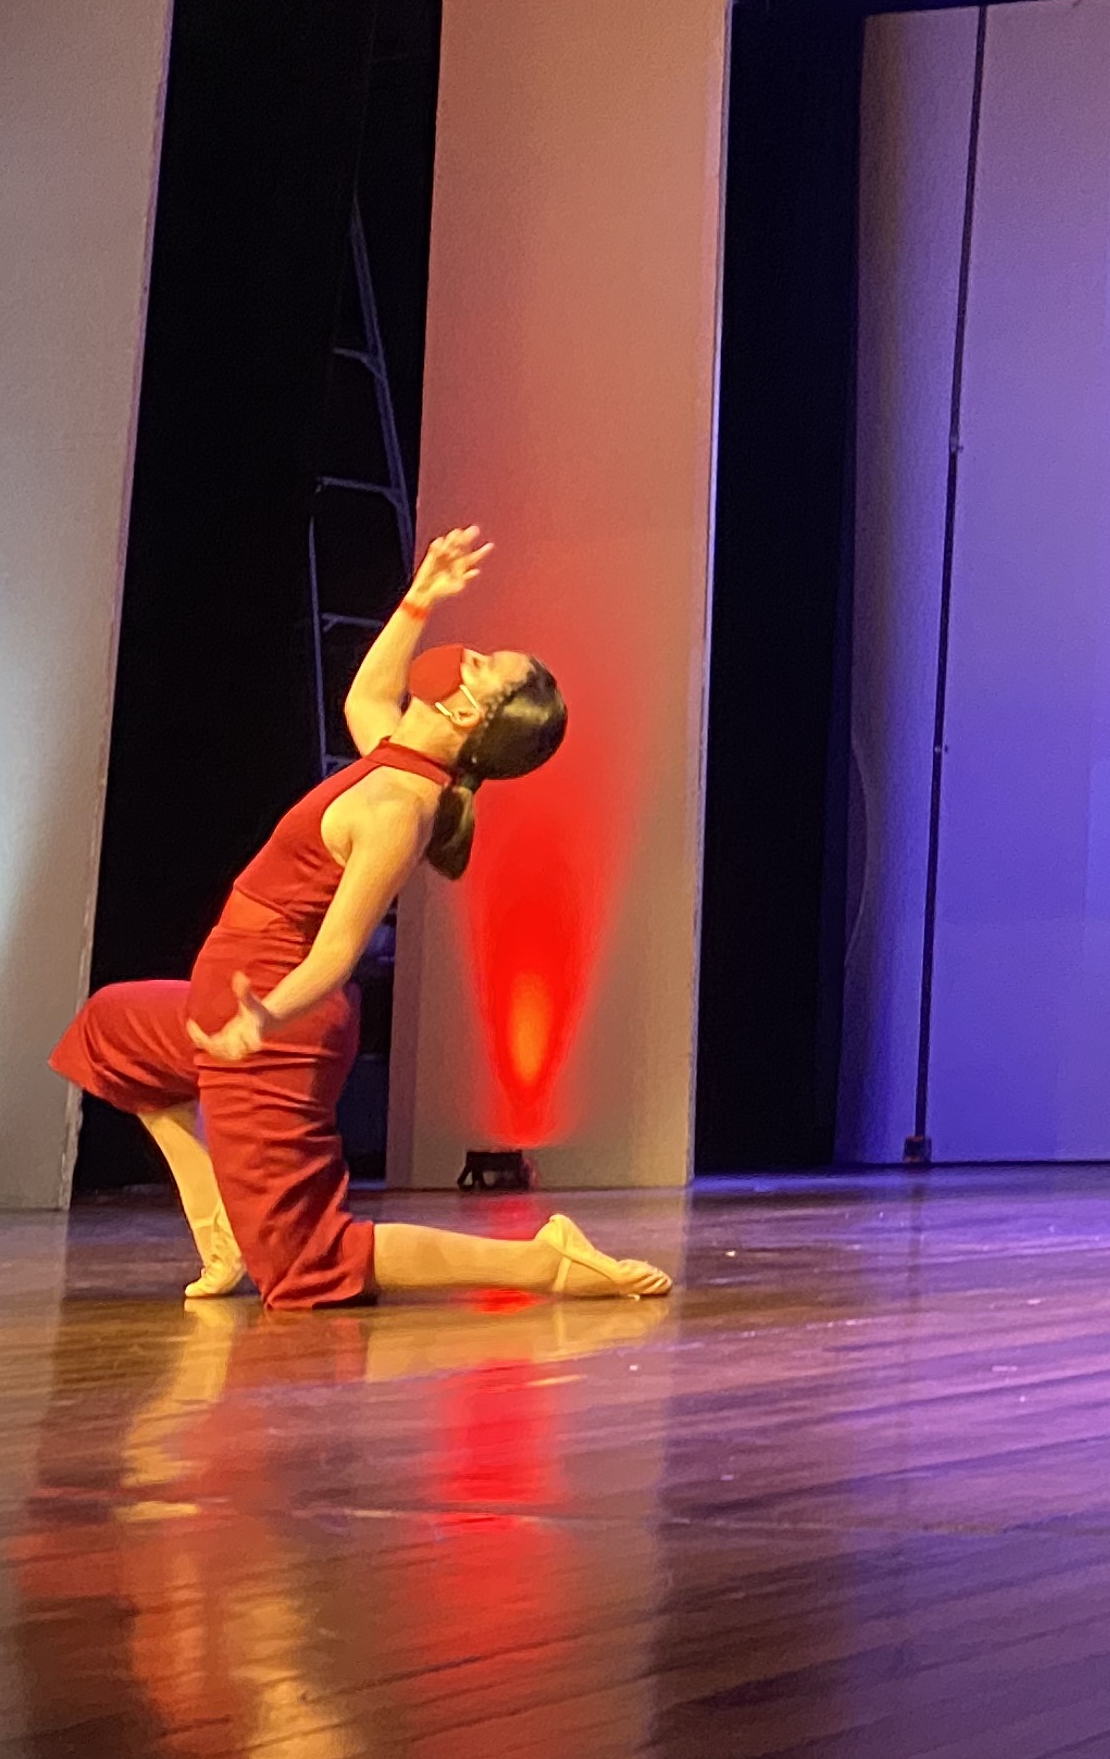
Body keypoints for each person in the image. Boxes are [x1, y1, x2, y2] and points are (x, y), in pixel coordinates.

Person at [51, 528, 672, 1308]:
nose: (470, 656)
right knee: (112, 1034)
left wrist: (263, 1018)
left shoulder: (399, 809)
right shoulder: (396, 753)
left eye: (484, 665)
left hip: (277, 1018)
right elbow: (364, 697)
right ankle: (222, 1233)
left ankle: (544, 1262)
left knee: (308, 1267)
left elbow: (337, 954)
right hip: (231, 997)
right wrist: (420, 598)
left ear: (470, 712)